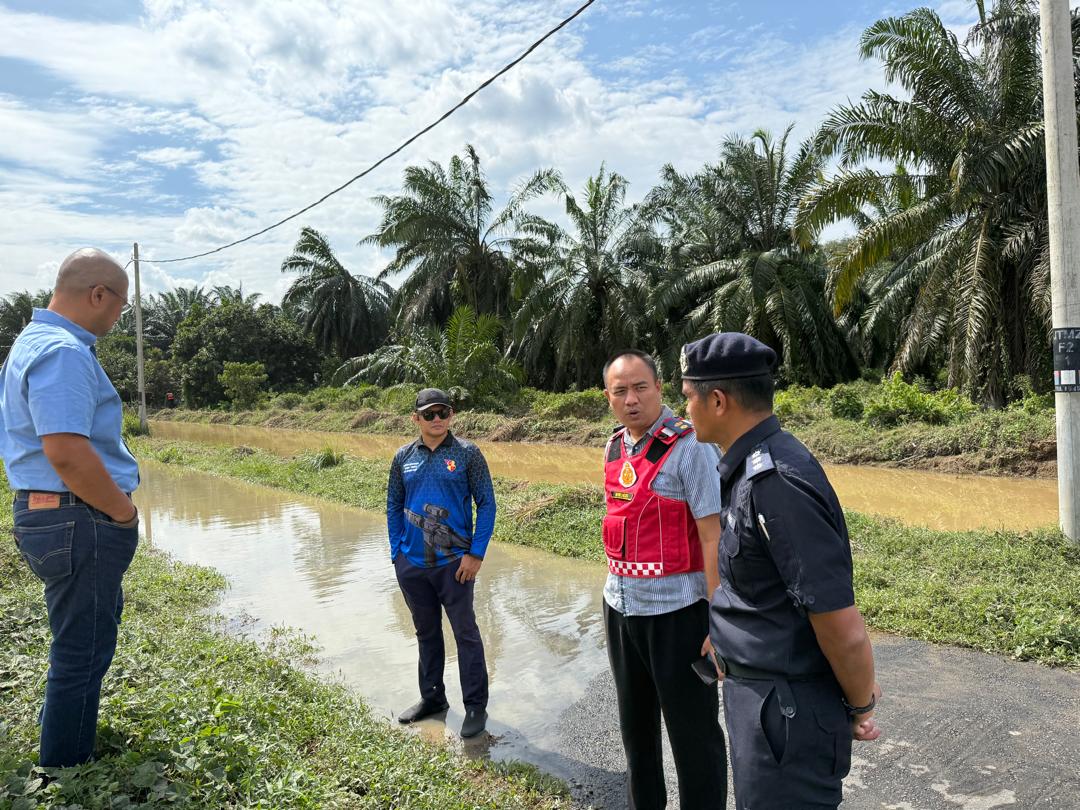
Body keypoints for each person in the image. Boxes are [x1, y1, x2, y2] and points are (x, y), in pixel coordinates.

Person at [680, 332, 882, 810]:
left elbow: (841, 627)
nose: (683, 408)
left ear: (717, 400)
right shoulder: (748, 467)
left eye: (687, 397)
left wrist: (860, 705)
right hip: (762, 699)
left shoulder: (777, 484)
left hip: (786, 714)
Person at [0, 248, 141, 768]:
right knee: (81, 651)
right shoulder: (64, 351)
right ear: (98, 294)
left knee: (77, 640)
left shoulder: (31, 342)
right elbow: (66, 451)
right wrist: (123, 514)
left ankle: (67, 750)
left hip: (50, 515)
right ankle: (66, 767)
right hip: (77, 517)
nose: (117, 318)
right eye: (120, 307)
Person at [600, 349, 727, 810]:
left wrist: (719, 620)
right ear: (609, 397)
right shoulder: (614, 446)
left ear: (659, 388)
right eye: (620, 391)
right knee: (636, 733)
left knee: (694, 738)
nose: (631, 399)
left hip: (679, 615)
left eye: (640, 387)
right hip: (621, 608)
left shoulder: (692, 447)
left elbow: (712, 536)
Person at [386, 387, 494, 739]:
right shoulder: (403, 457)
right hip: (413, 565)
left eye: (443, 412)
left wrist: (476, 553)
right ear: (415, 419)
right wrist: (396, 554)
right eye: (429, 414)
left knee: (466, 633)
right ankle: (432, 699)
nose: (437, 420)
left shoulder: (467, 454)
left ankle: (475, 706)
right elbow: (393, 505)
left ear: (452, 415)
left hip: (455, 564)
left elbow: (487, 504)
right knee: (426, 633)